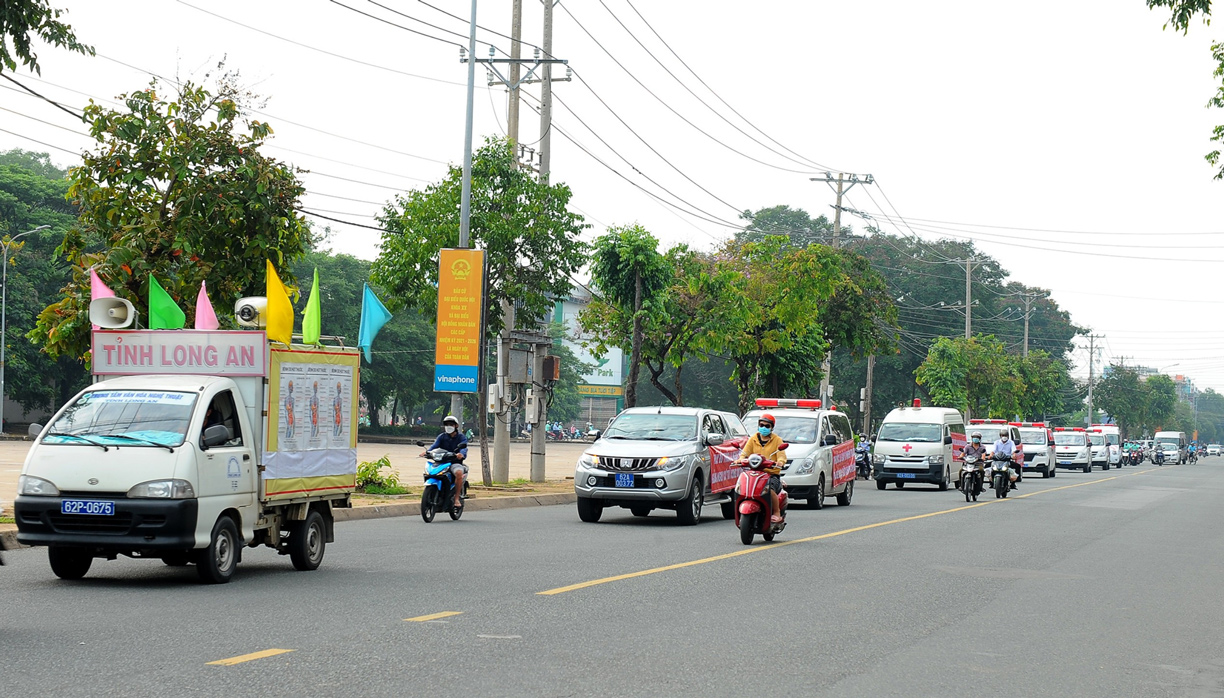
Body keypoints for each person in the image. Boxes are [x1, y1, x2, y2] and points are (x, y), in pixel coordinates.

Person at [738, 413, 788, 524]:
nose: (763, 428)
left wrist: (780, 462)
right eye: (761, 425)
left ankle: (776, 512)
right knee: (741, 486)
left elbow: (781, 455)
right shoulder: (753, 439)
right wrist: (740, 459)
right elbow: (745, 453)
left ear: (772, 428)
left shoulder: (777, 440)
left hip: (770, 474)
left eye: (767, 426)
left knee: (770, 489)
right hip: (754, 473)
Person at [422, 415, 468, 509]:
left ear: (456, 426)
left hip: (454, 463)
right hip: (441, 462)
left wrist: (461, 454)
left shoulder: (461, 437)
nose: (448, 426)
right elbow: (434, 446)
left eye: (451, 424)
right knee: (429, 471)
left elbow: (464, 448)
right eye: (446, 424)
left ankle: (456, 498)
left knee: (459, 472)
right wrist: (427, 452)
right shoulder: (442, 436)